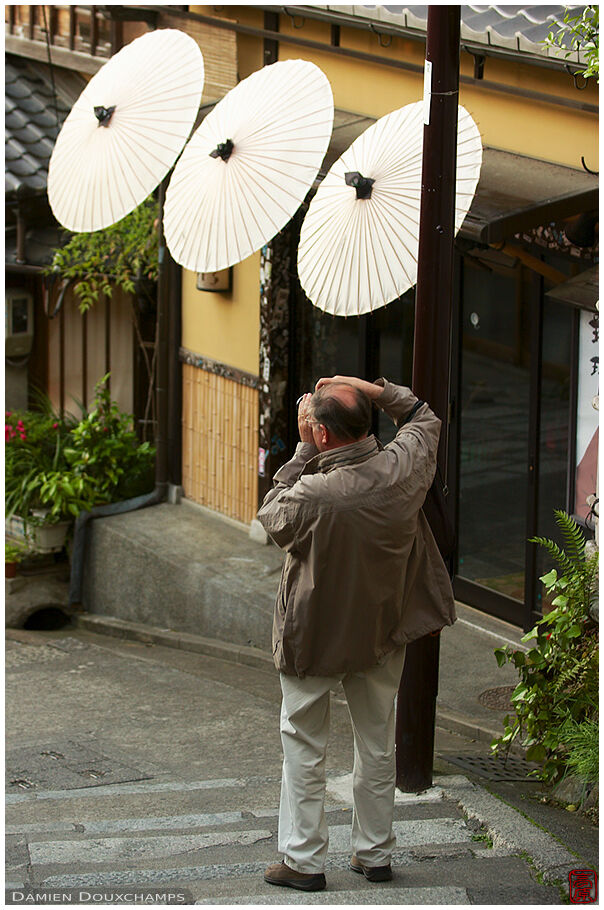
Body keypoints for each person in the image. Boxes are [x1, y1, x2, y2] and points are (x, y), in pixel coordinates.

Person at [257, 375, 455, 892]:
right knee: (376, 740)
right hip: (383, 628)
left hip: (314, 635)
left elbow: (271, 516)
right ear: (367, 420)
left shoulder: (314, 492)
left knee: (304, 744)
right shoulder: (402, 467)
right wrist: (368, 386)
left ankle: (303, 862)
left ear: (322, 433)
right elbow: (423, 416)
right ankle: (374, 854)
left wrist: (300, 449)